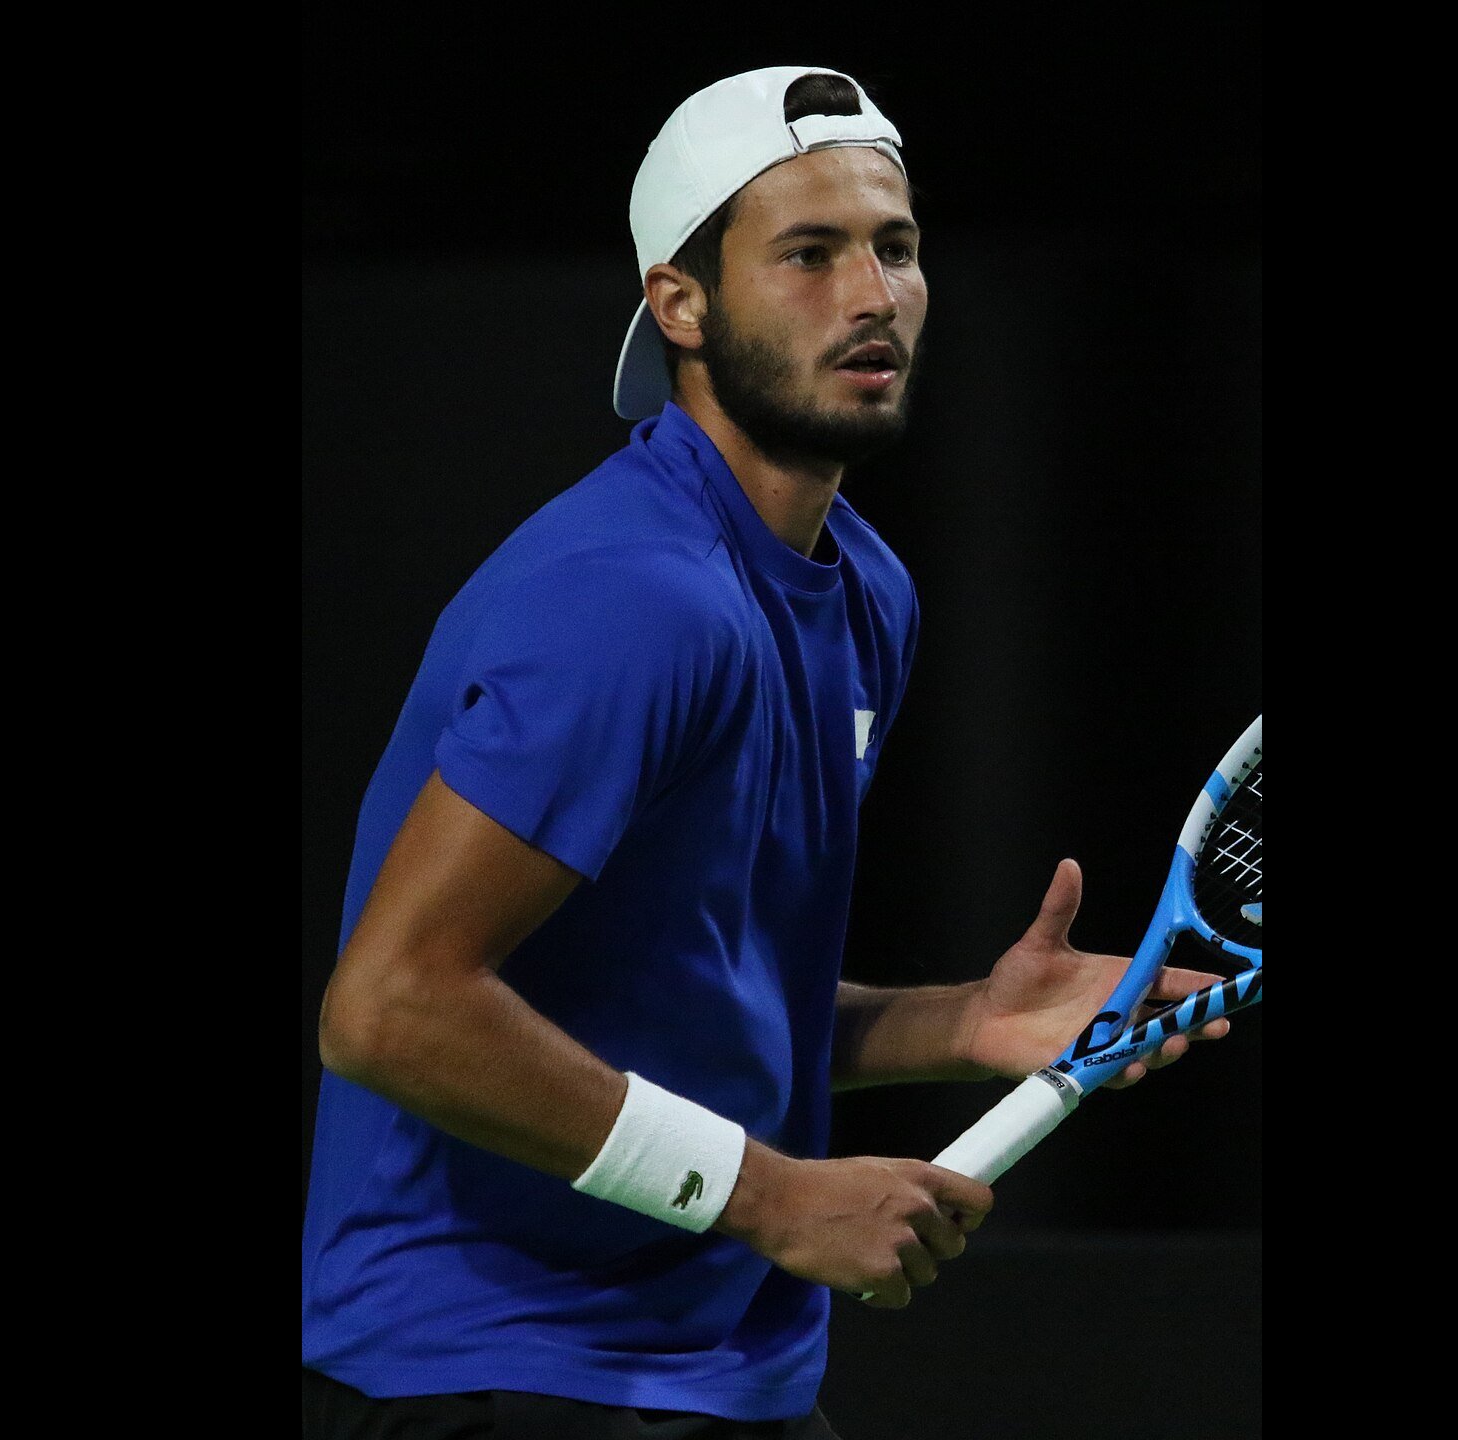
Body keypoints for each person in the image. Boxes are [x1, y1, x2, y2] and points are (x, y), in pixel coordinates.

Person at [302, 65, 1234, 1440]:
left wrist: (962, 1021)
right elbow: (389, 1009)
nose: (873, 295)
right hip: (488, 1366)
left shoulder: (866, 592)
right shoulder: (632, 598)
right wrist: (772, 1195)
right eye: (809, 253)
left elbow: (686, 995)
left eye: (896, 248)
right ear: (680, 303)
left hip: (720, 1361)